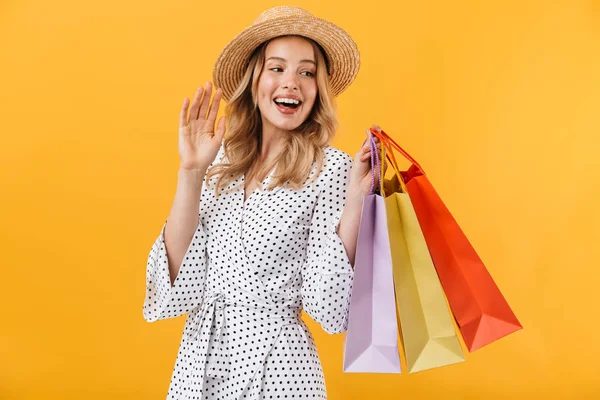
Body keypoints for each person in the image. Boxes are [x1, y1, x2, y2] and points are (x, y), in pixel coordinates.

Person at [143, 6, 383, 400]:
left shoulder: (332, 168)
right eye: (277, 68)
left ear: (319, 88)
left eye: (307, 73)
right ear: (254, 80)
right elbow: (179, 286)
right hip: (198, 363)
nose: (292, 83)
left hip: (279, 370)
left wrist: (356, 201)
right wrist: (190, 171)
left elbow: (329, 308)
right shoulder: (219, 161)